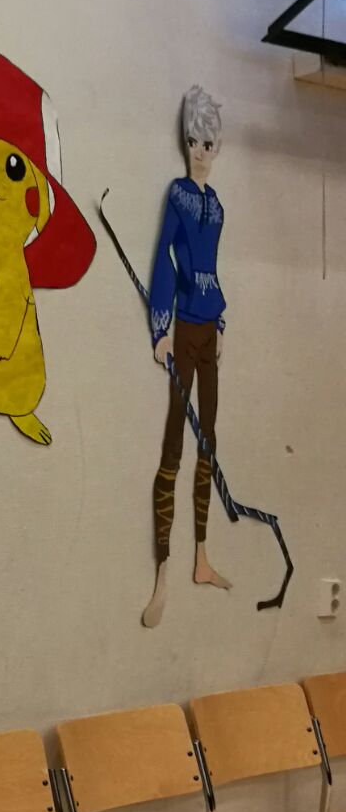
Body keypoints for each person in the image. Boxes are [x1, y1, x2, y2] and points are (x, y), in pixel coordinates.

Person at [141, 86, 230, 628]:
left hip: (208, 327)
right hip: (183, 327)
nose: (200, 150)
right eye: (194, 140)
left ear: (217, 147)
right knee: (174, 443)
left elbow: (210, 266)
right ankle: (163, 570)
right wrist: (160, 326)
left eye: (208, 143)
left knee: (208, 442)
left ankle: (201, 555)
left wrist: (220, 319)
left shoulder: (216, 205)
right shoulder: (178, 195)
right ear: (186, 142)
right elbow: (163, 260)